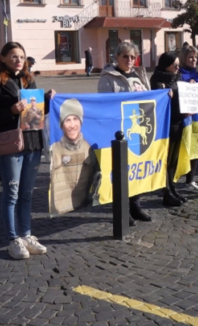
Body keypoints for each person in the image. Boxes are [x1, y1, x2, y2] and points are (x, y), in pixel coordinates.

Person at [0, 42, 53, 259]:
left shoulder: (28, 80)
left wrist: (47, 100)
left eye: (21, 56)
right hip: (10, 144)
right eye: (13, 56)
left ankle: (27, 234)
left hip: (32, 142)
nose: (18, 60)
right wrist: (10, 110)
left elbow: (37, 112)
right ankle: (13, 239)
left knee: (27, 194)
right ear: (2, 58)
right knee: (11, 193)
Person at [98, 42, 152, 224]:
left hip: (137, 133)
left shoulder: (139, 76)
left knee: (137, 169)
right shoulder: (108, 78)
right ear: (117, 58)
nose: (129, 60)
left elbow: (150, 98)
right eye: (125, 56)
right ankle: (122, 209)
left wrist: (164, 95)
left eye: (132, 57)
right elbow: (105, 104)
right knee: (120, 171)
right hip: (119, 132)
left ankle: (135, 205)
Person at [150, 52, 188, 207]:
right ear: (166, 65)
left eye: (179, 65)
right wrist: (165, 93)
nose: (178, 68)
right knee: (166, 160)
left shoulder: (177, 78)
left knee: (174, 160)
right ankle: (166, 192)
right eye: (175, 65)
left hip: (179, 121)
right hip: (167, 123)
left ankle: (172, 188)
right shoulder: (158, 79)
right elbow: (157, 97)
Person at [50, 98, 100, 213]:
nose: (72, 125)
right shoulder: (54, 149)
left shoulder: (89, 148)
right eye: (68, 120)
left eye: (75, 119)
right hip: (60, 206)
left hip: (83, 202)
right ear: (61, 124)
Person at [178, 45, 198, 193]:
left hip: (197, 119)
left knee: (194, 150)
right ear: (184, 58)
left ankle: (191, 179)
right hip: (184, 119)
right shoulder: (180, 74)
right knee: (183, 149)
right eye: (190, 57)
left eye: (195, 57)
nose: (194, 60)